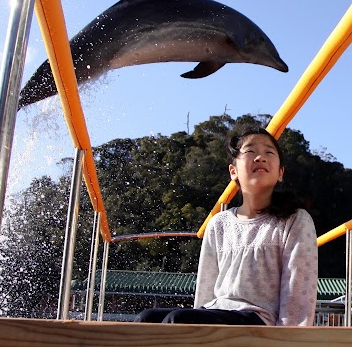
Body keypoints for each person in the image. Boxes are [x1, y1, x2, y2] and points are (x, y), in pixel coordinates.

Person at [135, 126, 318, 325]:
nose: (260, 157)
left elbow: (298, 290)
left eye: (269, 152)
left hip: (259, 318)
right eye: (250, 151)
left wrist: (288, 340)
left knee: (178, 320)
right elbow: (206, 287)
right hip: (217, 311)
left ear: (280, 172)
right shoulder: (219, 224)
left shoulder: (294, 220)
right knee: (147, 319)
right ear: (233, 171)